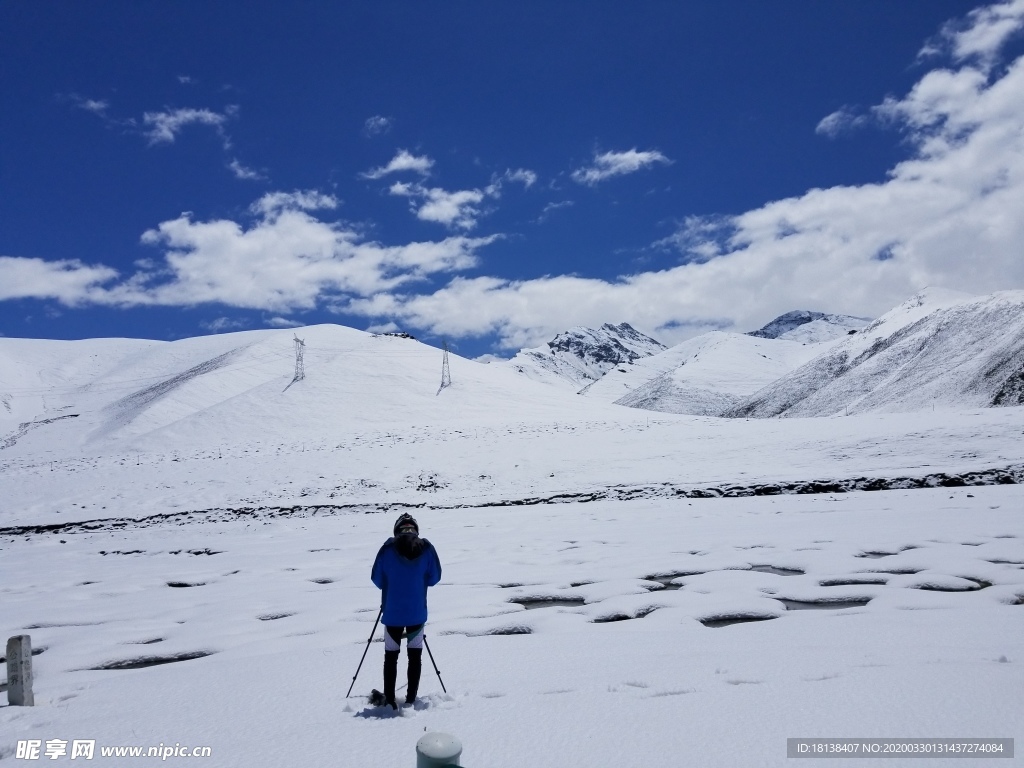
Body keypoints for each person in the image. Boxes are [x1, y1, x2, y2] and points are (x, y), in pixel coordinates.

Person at [370, 512, 442, 709]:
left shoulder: (386, 549)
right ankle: (411, 700)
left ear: (397, 530)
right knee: (415, 656)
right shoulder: (426, 548)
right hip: (416, 613)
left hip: (392, 613)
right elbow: (435, 578)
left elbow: (376, 579)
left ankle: (390, 701)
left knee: (391, 657)